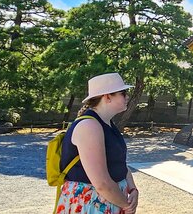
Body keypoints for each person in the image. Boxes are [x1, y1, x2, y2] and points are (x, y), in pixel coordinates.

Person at [56, 72, 138, 214]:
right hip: (91, 203)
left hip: (110, 201)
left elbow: (119, 164)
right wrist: (127, 205)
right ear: (107, 97)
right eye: (123, 92)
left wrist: (133, 189)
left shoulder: (107, 124)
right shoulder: (89, 126)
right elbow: (102, 183)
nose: (127, 97)